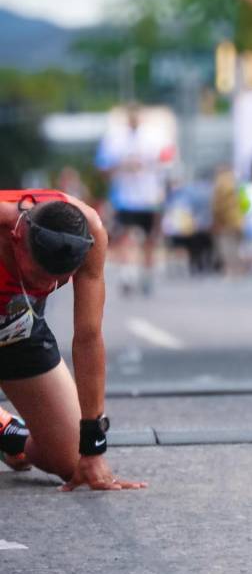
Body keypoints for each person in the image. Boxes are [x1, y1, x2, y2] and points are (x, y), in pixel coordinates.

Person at [0, 190, 146, 491]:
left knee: (71, 460)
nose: (48, 285)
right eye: (39, 275)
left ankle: (7, 434)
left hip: (16, 328)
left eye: (59, 279)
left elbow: (88, 337)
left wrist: (93, 446)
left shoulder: (89, 231)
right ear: (17, 240)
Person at [95, 105, 172, 296]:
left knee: (149, 239)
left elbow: (168, 161)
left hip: (150, 196)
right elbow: (103, 167)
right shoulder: (114, 138)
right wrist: (122, 166)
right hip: (124, 197)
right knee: (124, 237)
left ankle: (146, 275)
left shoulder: (155, 136)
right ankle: (126, 275)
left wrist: (151, 166)